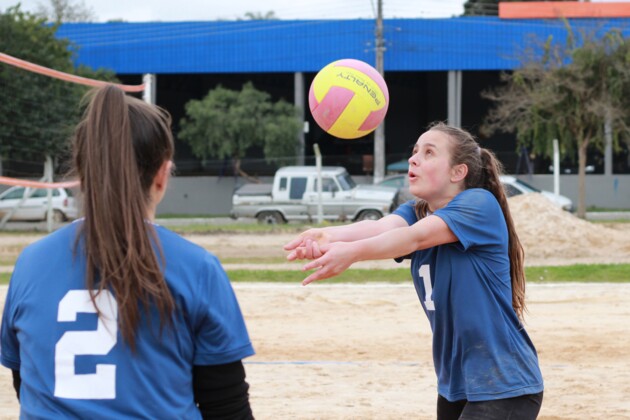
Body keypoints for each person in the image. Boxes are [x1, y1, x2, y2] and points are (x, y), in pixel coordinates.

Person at [0, 85, 255, 419]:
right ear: (163, 175)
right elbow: (226, 407)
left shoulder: (31, 263)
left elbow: (26, 384)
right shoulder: (197, 268)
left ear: (81, 171)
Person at [284, 122, 544, 420]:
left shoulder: (478, 204)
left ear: (458, 172)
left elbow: (413, 238)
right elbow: (379, 228)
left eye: (429, 152)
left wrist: (352, 254)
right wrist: (328, 237)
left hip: (505, 383)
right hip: (455, 384)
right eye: (415, 151)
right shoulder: (417, 211)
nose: (414, 159)